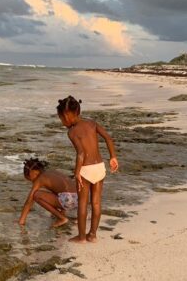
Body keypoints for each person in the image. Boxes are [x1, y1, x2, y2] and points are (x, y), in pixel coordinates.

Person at [57, 96, 118, 243]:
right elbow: (108, 139)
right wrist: (113, 157)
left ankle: (82, 237)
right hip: (99, 167)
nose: (62, 122)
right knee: (96, 202)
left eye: (61, 119)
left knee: (83, 203)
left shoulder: (72, 132)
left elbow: (81, 153)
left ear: (67, 115)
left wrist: (77, 172)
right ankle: (93, 235)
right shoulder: (92, 124)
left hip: (85, 169)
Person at [18, 158, 78, 228]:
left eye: (30, 178)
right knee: (55, 192)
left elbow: (29, 201)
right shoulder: (51, 172)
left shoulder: (40, 178)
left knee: (36, 195)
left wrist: (21, 221)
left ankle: (62, 218)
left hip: (69, 200)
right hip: (80, 198)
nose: (32, 181)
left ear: (33, 172)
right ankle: (61, 214)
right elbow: (60, 191)